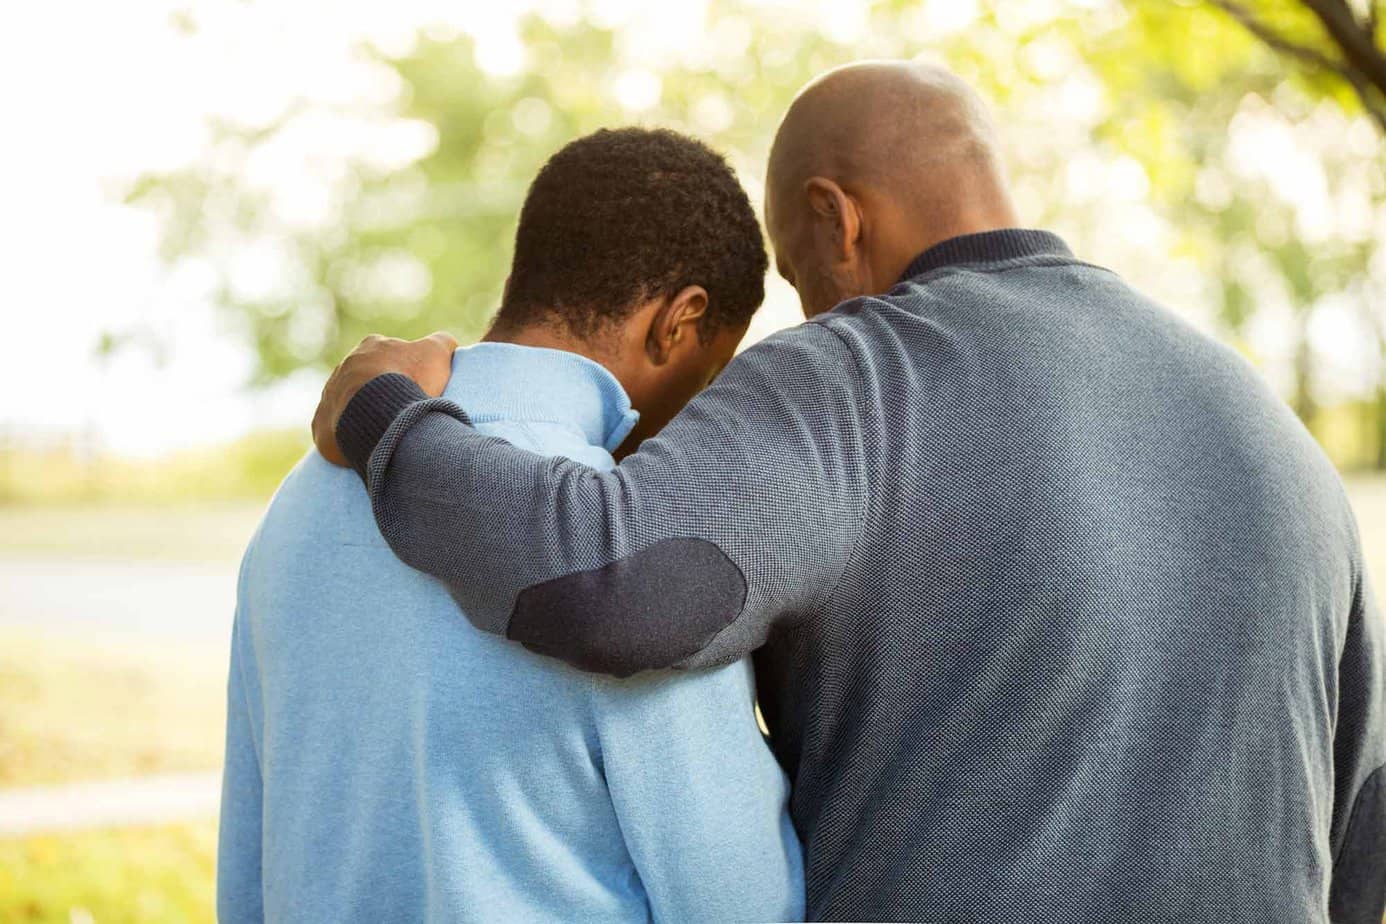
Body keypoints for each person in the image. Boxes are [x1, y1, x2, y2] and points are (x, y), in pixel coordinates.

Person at [312, 62, 1386, 923]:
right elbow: (1364, 834)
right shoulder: (1273, 430)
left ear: (836, 220)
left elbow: (605, 581)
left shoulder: (855, 379)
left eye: (794, 273)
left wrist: (388, 421)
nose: (805, 309)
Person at [219, 127, 804, 923]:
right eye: (711, 371)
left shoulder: (300, 500)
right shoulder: (627, 547)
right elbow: (738, 903)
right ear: (678, 320)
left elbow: (248, 867)